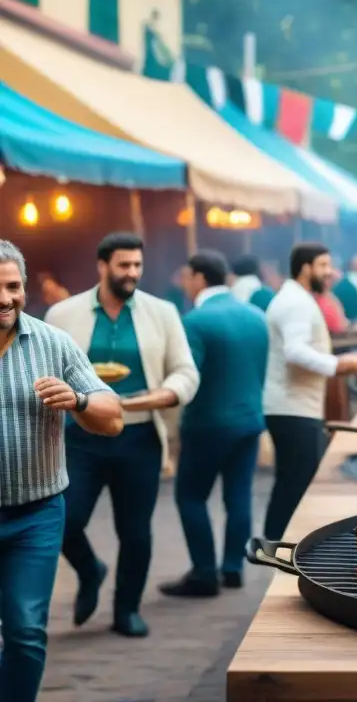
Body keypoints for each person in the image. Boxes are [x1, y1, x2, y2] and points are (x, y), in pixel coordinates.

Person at [45, 233, 198, 639]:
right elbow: (44, 370)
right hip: (81, 436)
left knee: (134, 530)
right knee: (65, 519)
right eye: (123, 265)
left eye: (137, 266)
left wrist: (160, 397)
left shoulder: (162, 312)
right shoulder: (63, 314)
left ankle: (126, 610)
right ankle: (90, 569)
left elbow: (185, 371)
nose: (132, 273)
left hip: (140, 435)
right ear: (102, 266)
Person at [0, 240, 123, 702]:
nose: (6, 299)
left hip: (36, 514)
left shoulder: (53, 343)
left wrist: (79, 400)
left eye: (13, 287)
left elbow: (111, 418)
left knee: (26, 630)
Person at [160, 251, 268, 598]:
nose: (184, 283)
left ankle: (205, 573)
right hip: (249, 420)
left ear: (200, 278)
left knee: (190, 496)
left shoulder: (195, 321)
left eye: (187, 277)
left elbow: (187, 377)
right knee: (238, 498)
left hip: (207, 424)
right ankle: (233, 568)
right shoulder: (256, 316)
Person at [262, 243, 357, 540]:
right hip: (291, 408)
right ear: (305, 268)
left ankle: (274, 547)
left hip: (294, 407)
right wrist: (339, 364)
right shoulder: (295, 301)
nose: (330, 272)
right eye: (323, 265)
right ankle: (276, 549)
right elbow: (294, 352)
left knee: (290, 483)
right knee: (293, 486)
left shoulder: (298, 298)